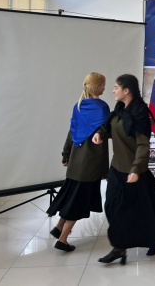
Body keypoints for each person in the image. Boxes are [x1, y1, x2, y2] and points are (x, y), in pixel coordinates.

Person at [93, 74, 155, 264]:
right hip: (117, 168)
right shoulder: (119, 108)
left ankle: (126, 247)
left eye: (116, 87)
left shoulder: (140, 113)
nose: (113, 90)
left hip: (134, 171)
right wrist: (100, 133)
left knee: (143, 210)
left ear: (126, 91)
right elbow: (111, 126)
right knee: (112, 206)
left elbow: (143, 144)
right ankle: (123, 245)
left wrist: (135, 169)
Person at [47, 72, 110, 252]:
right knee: (78, 201)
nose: (105, 88)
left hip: (76, 159)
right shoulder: (102, 107)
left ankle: (59, 227)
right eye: (103, 85)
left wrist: (66, 154)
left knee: (73, 195)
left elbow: (72, 131)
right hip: (91, 162)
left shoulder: (79, 106)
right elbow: (106, 130)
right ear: (97, 87)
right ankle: (63, 239)